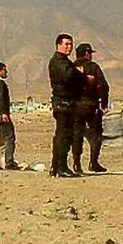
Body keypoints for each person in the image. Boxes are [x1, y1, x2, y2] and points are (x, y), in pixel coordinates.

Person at [47, 34, 89, 177]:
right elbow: (70, 76)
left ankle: (57, 166)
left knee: (64, 135)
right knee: (64, 136)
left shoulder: (63, 61)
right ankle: (61, 167)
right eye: (66, 44)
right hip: (63, 102)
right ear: (58, 45)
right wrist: (82, 75)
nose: (69, 47)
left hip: (67, 102)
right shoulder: (59, 62)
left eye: (71, 44)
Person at [72, 43, 109, 173]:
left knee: (77, 135)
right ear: (87, 53)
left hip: (75, 106)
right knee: (96, 135)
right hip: (91, 105)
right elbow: (104, 86)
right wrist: (104, 104)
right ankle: (93, 162)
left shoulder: (71, 67)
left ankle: (76, 164)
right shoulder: (93, 67)